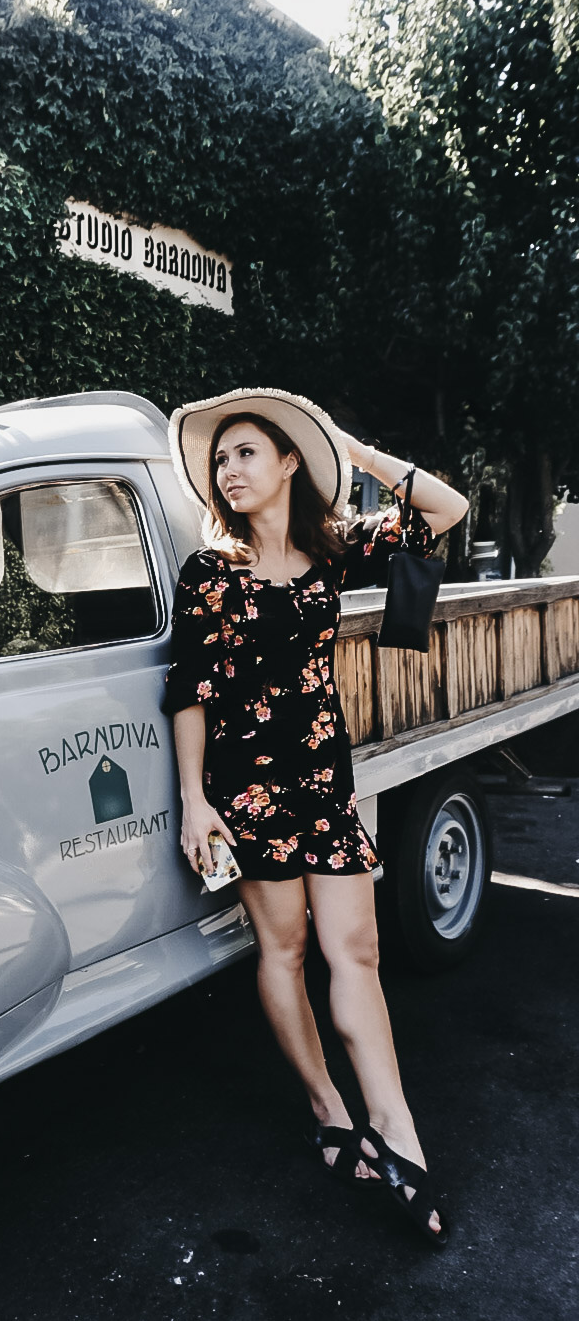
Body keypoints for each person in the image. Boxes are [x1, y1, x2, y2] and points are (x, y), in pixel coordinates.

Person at [162, 388, 468, 1246]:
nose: (230, 470)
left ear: (291, 461)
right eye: (222, 459)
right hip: (249, 796)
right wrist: (195, 801)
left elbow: (446, 509)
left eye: (247, 451)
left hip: (326, 790)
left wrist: (355, 448)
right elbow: (189, 691)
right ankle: (329, 1107)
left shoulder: (328, 553)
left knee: (357, 953)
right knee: (286, 951)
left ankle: (397, 1132)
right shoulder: (209, 574)